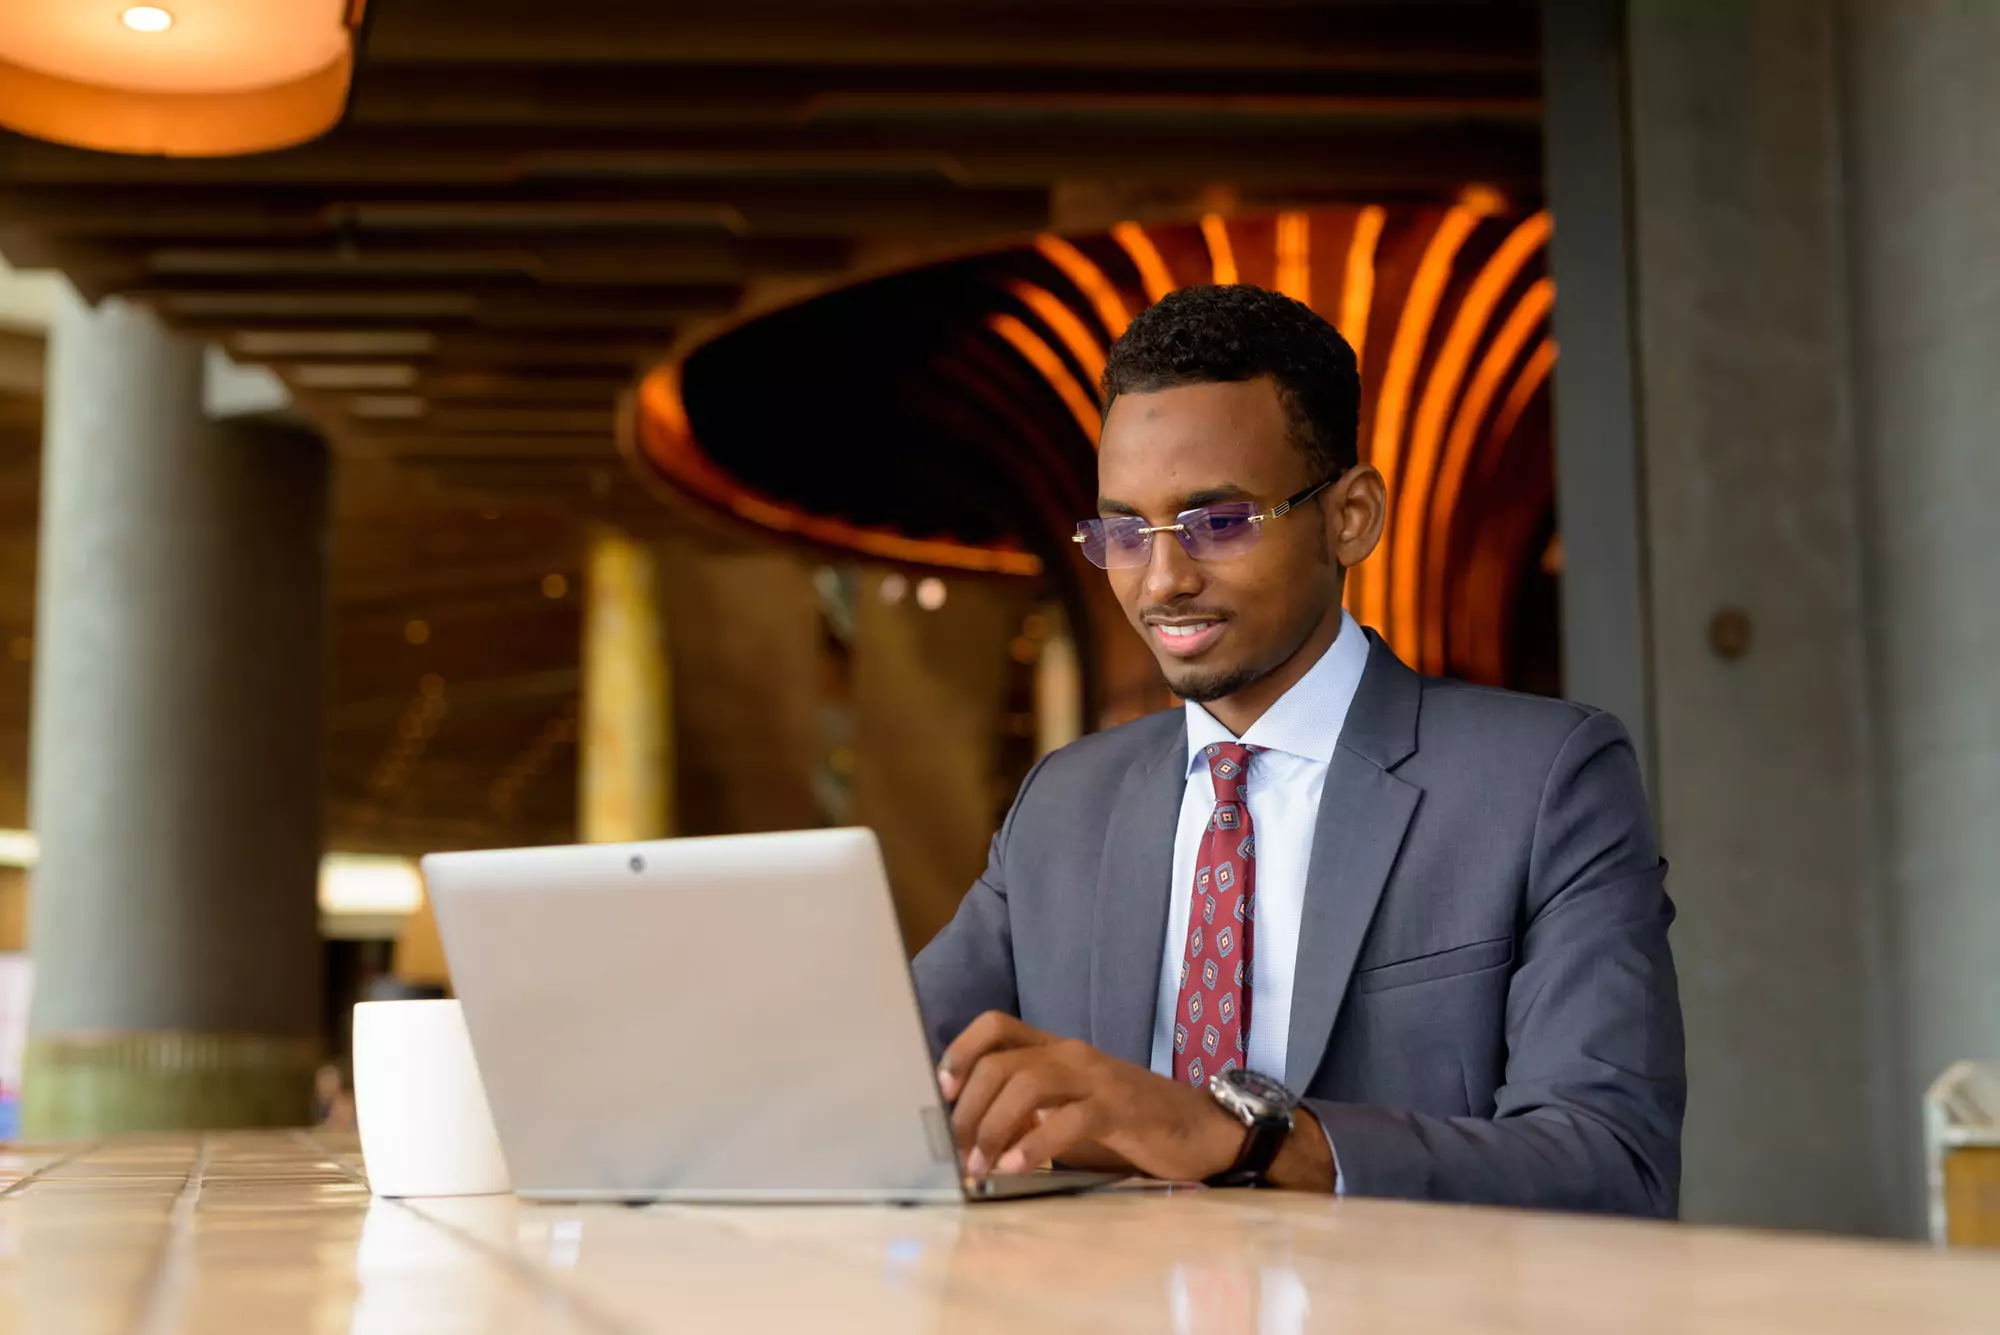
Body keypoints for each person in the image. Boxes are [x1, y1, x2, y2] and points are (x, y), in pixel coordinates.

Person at [911, 284, 1684, 1215]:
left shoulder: (1544, 781)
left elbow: (1612, 1163)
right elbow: (881, 1080)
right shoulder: (1064, 805)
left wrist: (1245, 1140)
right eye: (1125, 531)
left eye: (1219, 522)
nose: (1163, 579)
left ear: (1350, 516)